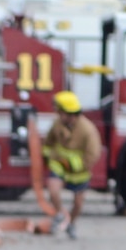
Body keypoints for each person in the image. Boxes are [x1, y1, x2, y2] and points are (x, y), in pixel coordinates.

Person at [41, 90, 101, 239]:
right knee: (53, 188)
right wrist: (47, 158)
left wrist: (71, 165)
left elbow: (92, 155)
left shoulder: (88, 130)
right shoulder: (57, 124)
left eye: (60, 112)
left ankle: (71, 224)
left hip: (79, 172)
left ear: (70, 114)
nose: (58, 115)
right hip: (59, 165)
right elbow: (48, 143)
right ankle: (60, 214)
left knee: (78, 203)